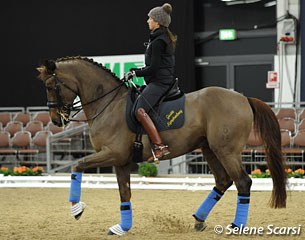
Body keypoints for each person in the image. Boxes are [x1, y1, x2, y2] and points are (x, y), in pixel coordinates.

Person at [125, 3, 177, 161]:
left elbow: (153, 68)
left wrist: (135, 73)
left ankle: (160, 146)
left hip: (160, 83)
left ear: (158, 22)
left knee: (139, 110)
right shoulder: (159, 39)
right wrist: (136, 70)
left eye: (150, 18)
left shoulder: (158, 42)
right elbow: (152, 66)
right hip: (159, 80)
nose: (148, 20)